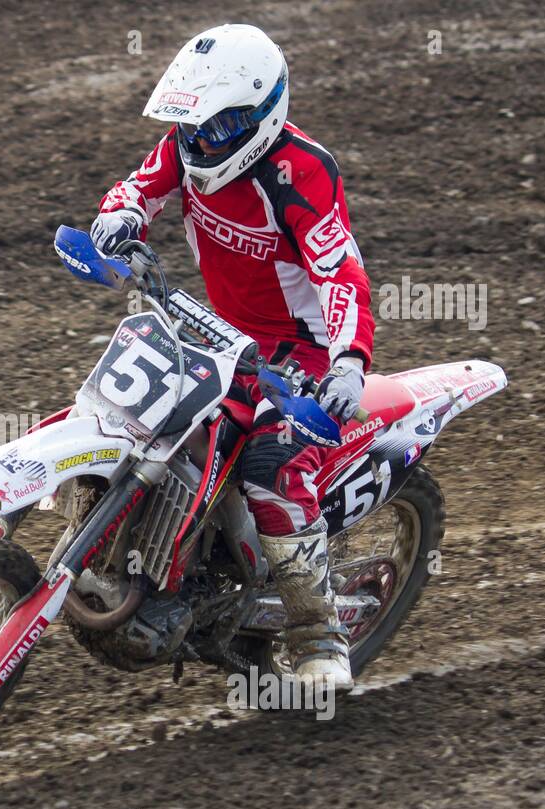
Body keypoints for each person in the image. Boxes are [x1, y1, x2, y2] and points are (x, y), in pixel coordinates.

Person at [88, 23, 375, 689]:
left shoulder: (303, 172)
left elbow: (340, 275)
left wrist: (349, 362)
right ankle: (145, 553)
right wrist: (118, 219)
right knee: (139, 413)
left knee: (274, 466)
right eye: (194, 130)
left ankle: (316, 631)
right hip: (215, 329)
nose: (201, 144)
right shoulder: (183, 147)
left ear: (261, 114)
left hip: (294, 351)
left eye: (219, 130)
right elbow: (139, 188)